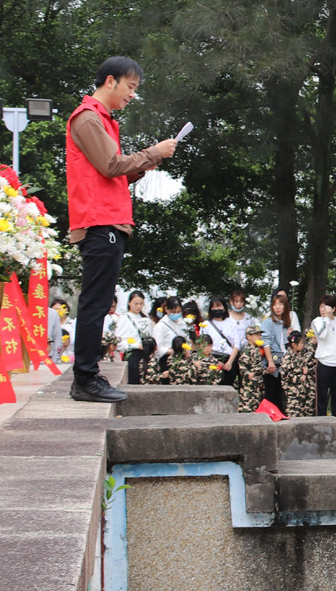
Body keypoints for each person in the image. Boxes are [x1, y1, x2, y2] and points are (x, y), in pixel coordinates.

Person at [64, 55, 179, 403]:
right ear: (110, 81)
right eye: (130, 87)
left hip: (109, 220)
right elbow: (111, 165)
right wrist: (152, 152)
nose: (132, 95)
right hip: (99, 221)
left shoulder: (103, 121)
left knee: (98, 302)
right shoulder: (87, 119)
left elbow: (115, 171)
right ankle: (85, 378)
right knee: (95, 304)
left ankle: (88, 376)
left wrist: (151, 160)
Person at [312, 296, 336, 420]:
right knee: (322, 396)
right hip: (324, 363)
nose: (323, 310)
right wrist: (327, 320)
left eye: (326, 307)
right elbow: (322, 335)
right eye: (321, 307)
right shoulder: (317, 321)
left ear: (334, 308)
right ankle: (321, 424)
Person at [119, 291, 156, 385]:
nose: (138, 306)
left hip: (146, 354)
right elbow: (119, 342)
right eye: (135, 303)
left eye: (141, 304)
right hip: (133, 355)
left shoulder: (146, 319)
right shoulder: (124, 319)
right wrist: (136, 345)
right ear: (129, 303)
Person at [202, 296, 240, 386]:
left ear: (224, 308)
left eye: (219, 307)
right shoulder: (206, 325)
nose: (216, 309)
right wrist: (214, 361)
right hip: (213, 359)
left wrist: (230, 362)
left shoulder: (231, 322)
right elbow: (203, 345)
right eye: (214, 307)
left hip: (229, 359)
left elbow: (237, 344)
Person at [282, 326, 319, 417]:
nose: (303, 345)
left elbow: (310, 356)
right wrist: (300, 377)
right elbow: (285, 374)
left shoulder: (302, 354)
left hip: (305, 390)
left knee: (308, 414)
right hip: (293, 392)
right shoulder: (287, 357)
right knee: (294, 415)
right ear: (294, 345)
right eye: (301, 343)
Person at [235, 322, 270, 412]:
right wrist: (248, 374)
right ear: (248, 336)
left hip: (257, 385)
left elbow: (257, 367)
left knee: (257, 407)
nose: (259, 337)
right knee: (248, 408)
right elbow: (242, 366)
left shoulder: (256, 350)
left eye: (259, 335)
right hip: (249, 387)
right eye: (256, 335)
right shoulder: (247, 350)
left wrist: (267, 370)